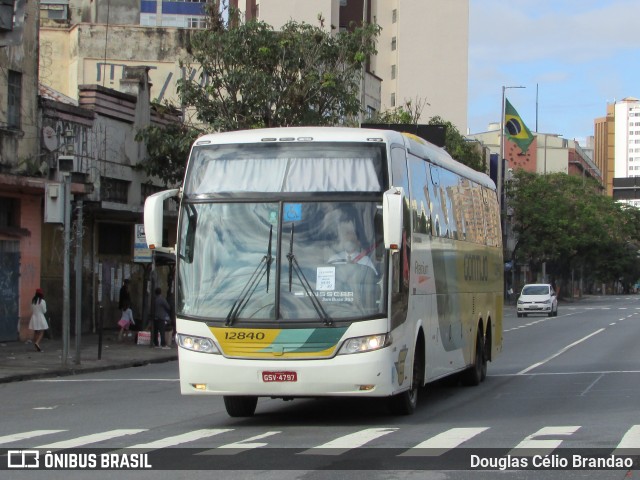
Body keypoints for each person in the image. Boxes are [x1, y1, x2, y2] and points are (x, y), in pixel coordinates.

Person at [29, 288, 48, 352]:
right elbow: (44, 311)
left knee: (36, 331)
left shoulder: (33, 301)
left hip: (34, 317)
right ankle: (37, 342)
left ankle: (36, 346)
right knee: (42, 331)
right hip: (40, 317)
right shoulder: (42, 301)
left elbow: (31, 309)